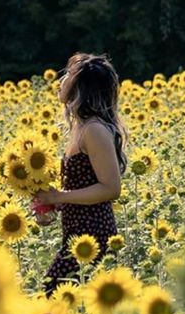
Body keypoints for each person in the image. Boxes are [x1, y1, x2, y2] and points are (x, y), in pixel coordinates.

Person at [34, 53, 128, 296]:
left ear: (81, 87)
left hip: (93, 235)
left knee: (53, 297)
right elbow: (83, 183)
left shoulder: (94, 130)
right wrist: (49, 205)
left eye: (68, 75)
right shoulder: (82, 127)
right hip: (77, 232)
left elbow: (110, 188)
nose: (61, 80)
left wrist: (59, 197)